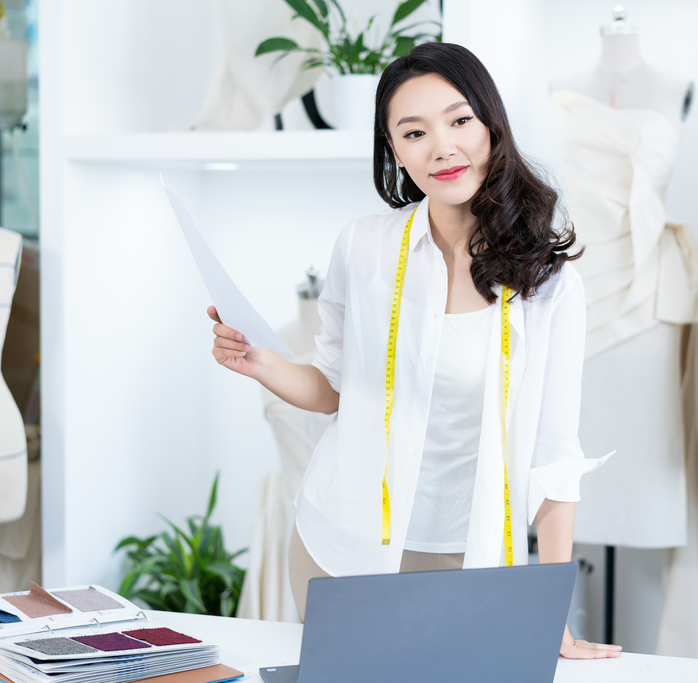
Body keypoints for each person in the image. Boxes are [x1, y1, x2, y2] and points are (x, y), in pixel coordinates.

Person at [209, 42, 619, 659]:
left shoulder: (549, 282)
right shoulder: (364, 247)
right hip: (344, 544)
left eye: (459, 121)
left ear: (491, 127)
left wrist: (550, 616)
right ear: (394, 150)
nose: (443, 147)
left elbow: (555, 458)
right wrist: (261, 364)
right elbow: (333, 388)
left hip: (469, 555)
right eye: (414, 132)